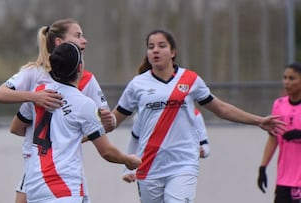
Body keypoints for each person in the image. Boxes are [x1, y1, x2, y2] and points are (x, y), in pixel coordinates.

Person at [99, 29, 285, 203]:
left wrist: (258, 120)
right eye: (151, 47)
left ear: (173, 52)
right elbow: (114, 121)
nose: (155, 50)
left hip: (183, 163)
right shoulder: (137, 84)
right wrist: (101, 124)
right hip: (149, 164)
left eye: (161, 46)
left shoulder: (190, 80)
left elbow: (220, 108)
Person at [0, 18, 113, 203]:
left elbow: (103, 126)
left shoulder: (86, 79)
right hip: (36, 164)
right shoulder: (35, 73)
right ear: (59, 42)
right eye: (78, 35)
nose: (85, 40)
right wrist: (34, 97)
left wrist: (107, 122)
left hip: (65, 169)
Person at [16, 42, 141, 203]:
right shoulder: (84, 104)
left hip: (34, 188)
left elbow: (17, 128)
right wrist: (129, 160)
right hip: (64, 188)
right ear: (79, 67)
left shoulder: (38, 94)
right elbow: (106, 152)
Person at [122, 108, 210, 184]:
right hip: (150, 170)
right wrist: (128, 170)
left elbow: (205, 145)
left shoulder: (194, 114)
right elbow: (135, 140)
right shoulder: (145, 111)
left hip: (181, 169)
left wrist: (203, 151)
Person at [257, 62, 301, 203]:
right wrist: (263, 166)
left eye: (292, 78)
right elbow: (273, 138)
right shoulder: (279, 104)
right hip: (284, 179)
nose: (286, 82)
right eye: (285, 78)